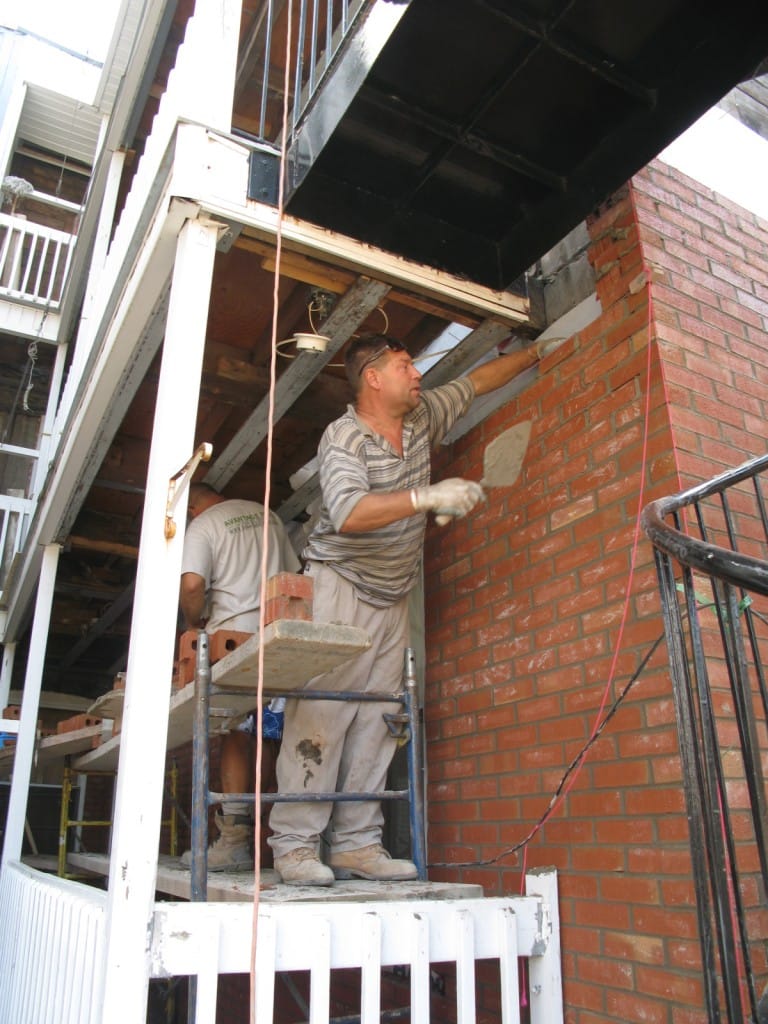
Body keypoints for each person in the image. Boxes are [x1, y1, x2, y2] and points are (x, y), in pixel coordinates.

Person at [268, 333, 539, 885]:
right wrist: (425, 497)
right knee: (322, 712)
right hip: (340, 584)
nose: (417, 374)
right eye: (405, 364)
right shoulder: (345, 436)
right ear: (373, 377)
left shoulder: (421, 417)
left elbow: (475, 383)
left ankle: (356, 845)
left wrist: (537, 352)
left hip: (393, 592)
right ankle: (295, 847)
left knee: (378, 719)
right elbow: (348, 511)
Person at [179, 483, 300, 871]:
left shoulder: (204, 525)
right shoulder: (269, 515)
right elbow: (295, 574)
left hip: (234, 642)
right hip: (280, 636)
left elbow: (192, 584)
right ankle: (278, 837)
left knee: (235, 732)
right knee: (267, 734)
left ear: (192, 508)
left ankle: (234, 840)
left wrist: (193, 621)